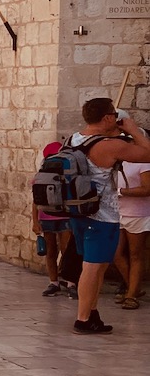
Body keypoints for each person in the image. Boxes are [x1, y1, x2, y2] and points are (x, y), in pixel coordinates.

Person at [65, 98, 150, 333]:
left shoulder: (74, 139)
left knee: (97, 265)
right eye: (114, 114)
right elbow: (147, 153)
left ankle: (92, 314)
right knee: (93, 267)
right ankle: (82, 319)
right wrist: (133, 129)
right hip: (101, 217)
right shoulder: (108, 145)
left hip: (79, 211)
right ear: (107, 118)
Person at [34, 140, 78, 300]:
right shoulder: (43, 175)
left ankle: (69, 281)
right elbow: (36, 199)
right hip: (49, 216)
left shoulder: (66, 174)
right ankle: (55, 282)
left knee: (64, 251)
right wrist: (35, 220)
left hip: (60, 216)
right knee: (52, 251)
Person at [114, 158, 150, 311]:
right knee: (115, 253)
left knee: (135, 255)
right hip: (118, 213)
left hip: (138, 214)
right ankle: (133, 289)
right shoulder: (117, 162)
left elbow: (147, 189)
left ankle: (131, 295)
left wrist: (121, 192)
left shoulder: (144, 162)